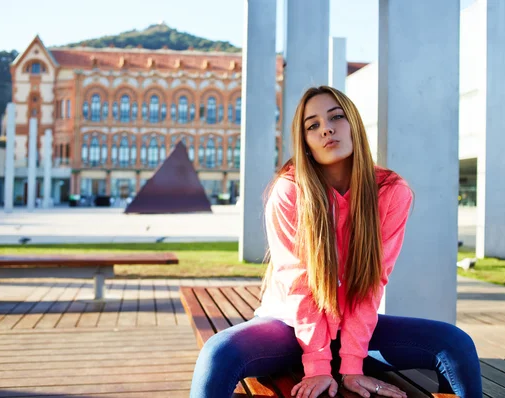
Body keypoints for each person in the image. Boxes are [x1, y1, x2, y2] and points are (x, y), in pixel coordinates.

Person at [190, 86, 482, 398]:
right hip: (290, 328)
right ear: (305, 143)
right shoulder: (290, 191)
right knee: (218, 353)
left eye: (336, 117)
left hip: (355, 332)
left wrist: (353, 366)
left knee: (455, 345)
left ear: (354, 123)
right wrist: (317, 366)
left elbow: (372, 282)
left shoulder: (391, 191)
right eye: (312, 125)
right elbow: (300, 284)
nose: (326, 128)